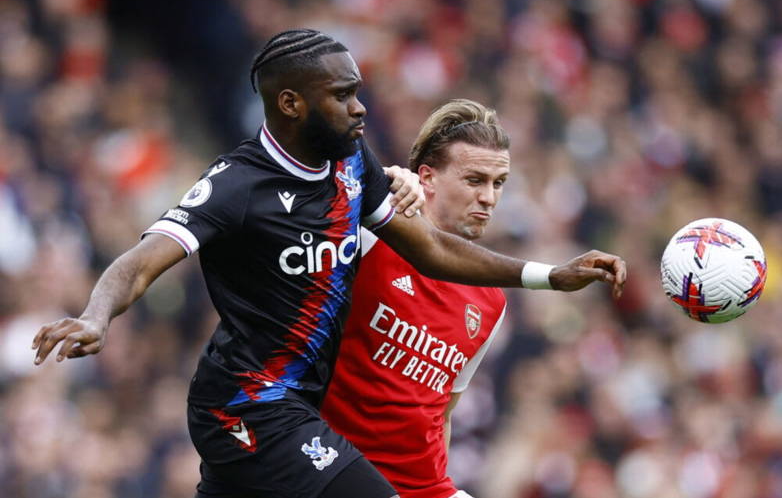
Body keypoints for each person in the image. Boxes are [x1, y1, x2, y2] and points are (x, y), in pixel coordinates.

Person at [31, 29, 626, 498]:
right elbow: (140, 262)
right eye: (342, 96)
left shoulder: (350, 164)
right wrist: (96, 316)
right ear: (291, 103)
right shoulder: (237, 186)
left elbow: (431, 249)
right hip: (248, 405)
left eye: (357, 91)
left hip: (294, 409)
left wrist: (550, 276)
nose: (360, 108)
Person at [322, 99, 513, 498]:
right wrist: (386, 180)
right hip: (336, 472)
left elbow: (441, 414)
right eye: (474, 180)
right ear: (426, 177)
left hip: (425, 488)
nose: (489, 198)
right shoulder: (370, 235)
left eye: (498, 183)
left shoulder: (491, 302)